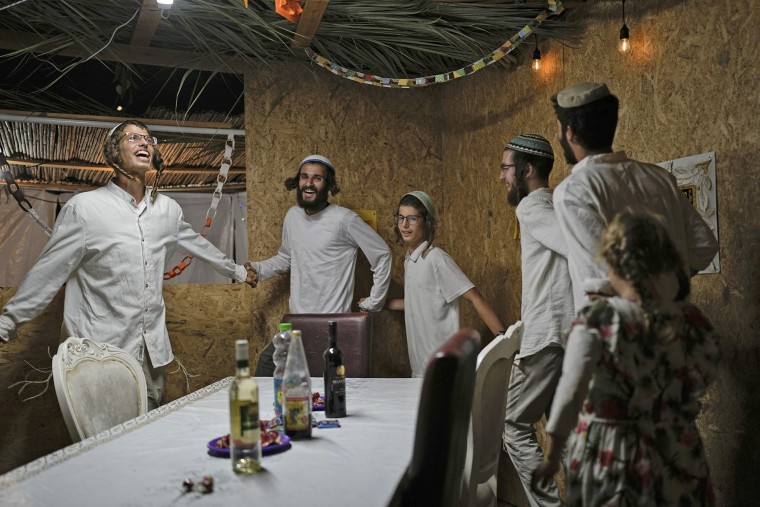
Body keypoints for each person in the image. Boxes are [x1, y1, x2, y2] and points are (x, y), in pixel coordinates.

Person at [0, 120, 257, 409]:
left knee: (146, 439)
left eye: (149, 138)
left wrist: (238, 272)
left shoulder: (167, 210)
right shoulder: (84, 209)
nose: (145, 142)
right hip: (99, 354)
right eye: (133, 137)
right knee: (102, 443)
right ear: (113, 151)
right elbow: (47, 273)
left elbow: (199, 245)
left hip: (152, 354)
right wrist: (6, 323)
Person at [532, 209, 719, 506]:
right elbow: (705, 372)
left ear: (614, 264)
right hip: (678, 451)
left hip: (614, 456)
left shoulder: (600, 320)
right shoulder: (691, 319)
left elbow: (569, 392)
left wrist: (552, 455)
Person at [551, 81, 719, 312]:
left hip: (619, 340)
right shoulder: (659, 178)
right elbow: (704, 246)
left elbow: (599, 282)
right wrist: (665, 287)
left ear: (569, 133)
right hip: (674, 331)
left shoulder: (572, 192)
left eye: (558, 128)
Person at [248, 154, 392, 374]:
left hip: (333, 327)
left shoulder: (344, 219)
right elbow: (287, 257)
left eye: (317, 178)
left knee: (324, 389)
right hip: (297, 325)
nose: (309, 183)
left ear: (328, 184)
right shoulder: (293, 217)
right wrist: (258, 269)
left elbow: (382, 254)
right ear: (298, 182)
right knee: (267, 368)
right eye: (305, 177)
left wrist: (375, 302)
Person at [499, 134, 574, 506]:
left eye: (506, 168)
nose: (502, 177)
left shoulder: (530, 208)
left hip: (545, 338)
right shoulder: (563, 203)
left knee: (512, 425)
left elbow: (577, 244)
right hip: (569, 339)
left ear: (526, 170)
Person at [385, 191, 504, 377]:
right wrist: (379, 304)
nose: (404, 225)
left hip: (444, 369)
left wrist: (503, 340)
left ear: (426, 221)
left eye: (412, 219)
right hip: (420, 369)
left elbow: (474, 297)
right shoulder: (410, 260)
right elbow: (417, 302)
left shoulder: (436, 258)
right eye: (401, 218)